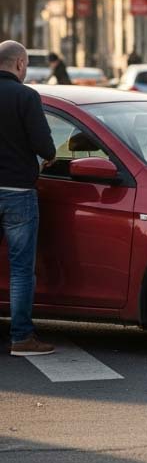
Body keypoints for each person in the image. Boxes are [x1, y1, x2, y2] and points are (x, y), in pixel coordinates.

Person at [0, 40, 57, 356]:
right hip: (18, 192)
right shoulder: (26, 97)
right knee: (21, 268)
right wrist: (47, 157)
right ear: (20, 64)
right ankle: (21, 337)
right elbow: (44, 146)